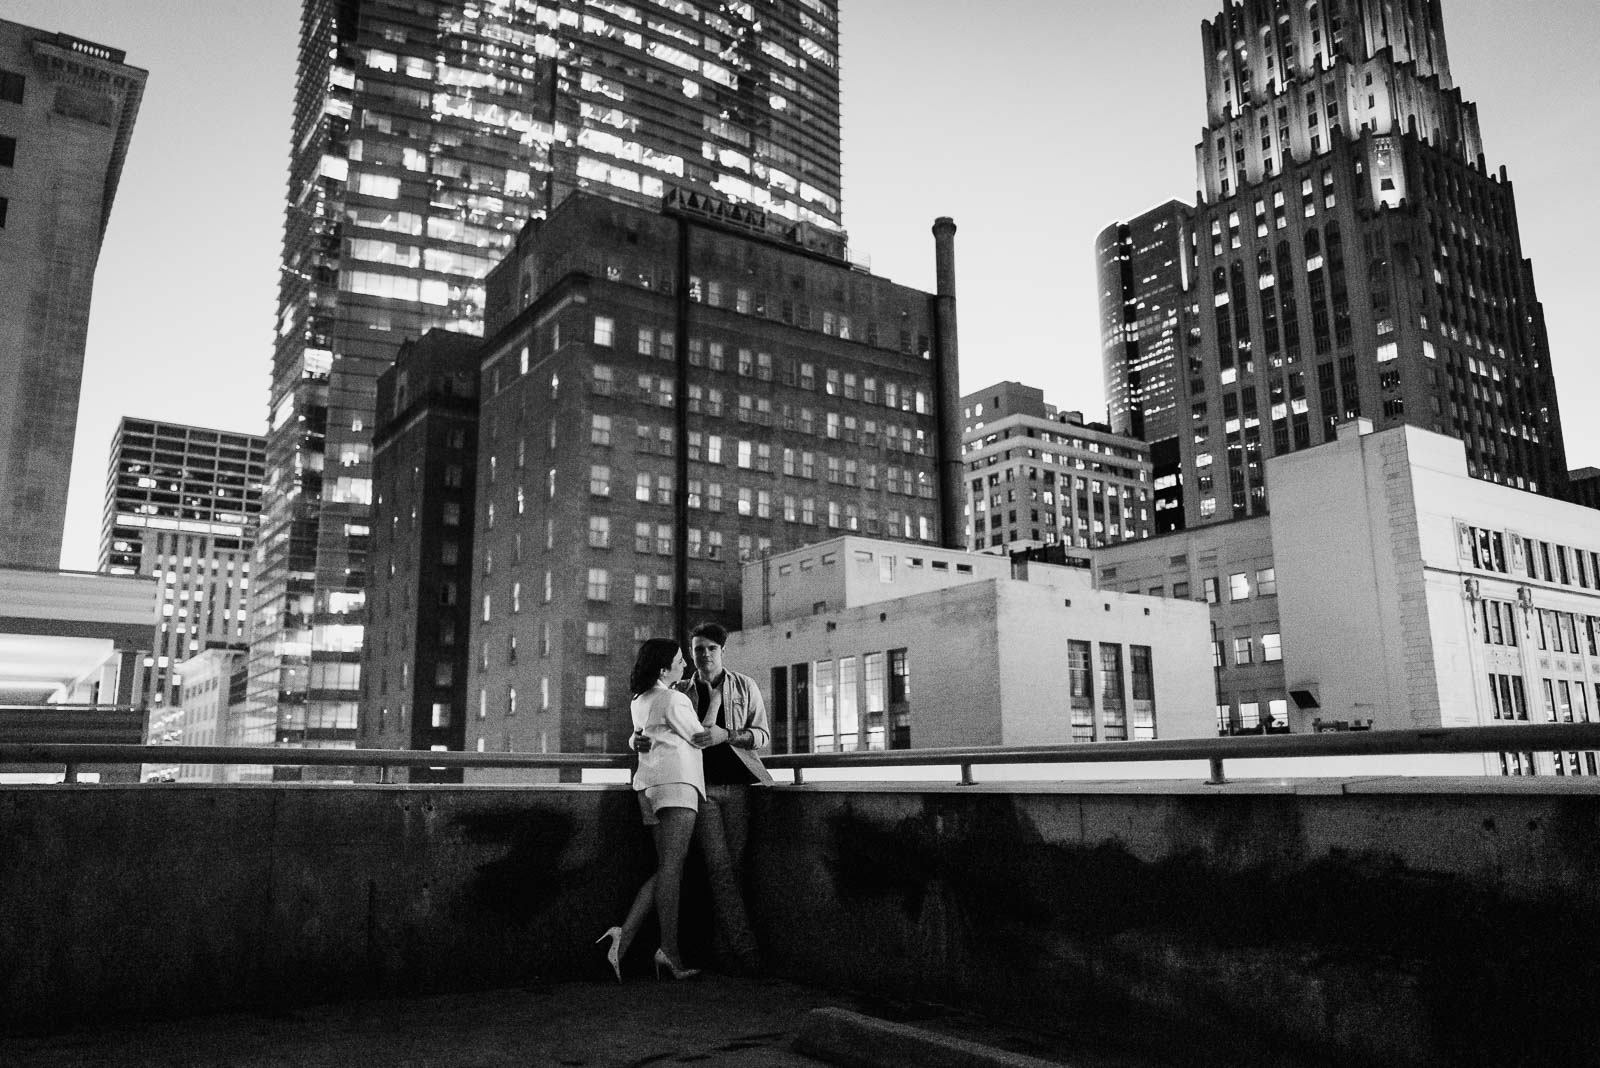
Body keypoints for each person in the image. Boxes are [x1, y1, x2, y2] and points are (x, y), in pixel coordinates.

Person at [636, 621, 772, 974]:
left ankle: (723, 950)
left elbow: (762, 735)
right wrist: (635, 742)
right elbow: (652, 728)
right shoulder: (680, 689)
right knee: (720, 869)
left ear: (723, 651)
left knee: (734, 871)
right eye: (697, 649)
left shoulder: (745, 686)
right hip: (701, 790)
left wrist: (727, 734)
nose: (704, 654)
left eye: (711, 648)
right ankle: (747, 952)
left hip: (740, 787)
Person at [596, 638, 702, 981]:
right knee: (672, 868)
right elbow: (700, 737)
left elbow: (644, 733)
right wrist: (712, 715)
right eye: (679, 661)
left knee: (665, 868)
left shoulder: (639, 700)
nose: (685, 665)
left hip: (649, 786)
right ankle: (667, 950)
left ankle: (624, 938)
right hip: (677, 784)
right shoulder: (675, 699)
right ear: (663, 668)